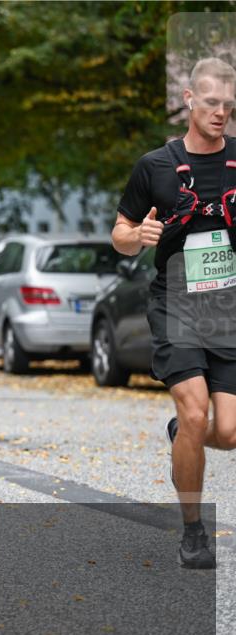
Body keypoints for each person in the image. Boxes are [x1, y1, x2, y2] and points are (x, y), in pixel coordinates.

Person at [112, 57, 236, 570]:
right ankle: (192, 532)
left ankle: (183, 434)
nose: (221, 114)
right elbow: (119, 233)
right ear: (188, 100)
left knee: (226, 432)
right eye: (212, 104)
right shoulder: (155, 166)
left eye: (229, 106)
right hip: (177, 303)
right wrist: (136, 236)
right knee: (195, 411)